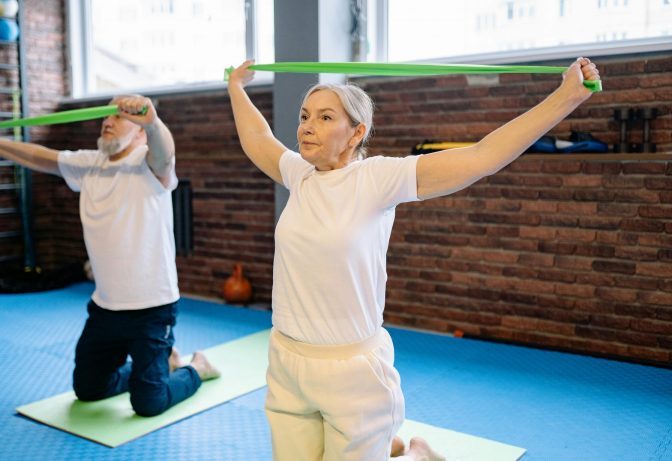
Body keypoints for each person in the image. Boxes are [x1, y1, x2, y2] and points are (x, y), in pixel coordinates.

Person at [227, 57, 600, 461]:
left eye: (325, 116)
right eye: (305, 116)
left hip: (352, 372)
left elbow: (483, 156)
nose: (307, 126)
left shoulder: (375, 179)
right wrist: (236, 86)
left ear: (356, 133)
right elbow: (257, 138)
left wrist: (566, 97)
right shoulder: (299, 174)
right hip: (286, 361)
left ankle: (414, 455)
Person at [0, 95, 220, 417]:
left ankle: (195, 368)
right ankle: (158, 366)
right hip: (105, 309)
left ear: (139, 133)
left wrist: (151, 122)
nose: (108, 122)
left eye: (118, 117)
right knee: (89, 389)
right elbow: (38, 156)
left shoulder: (149, 165)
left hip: (152, 311)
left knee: (148, 404)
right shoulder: (89, 164)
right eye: (105, 117)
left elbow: (165, 154)